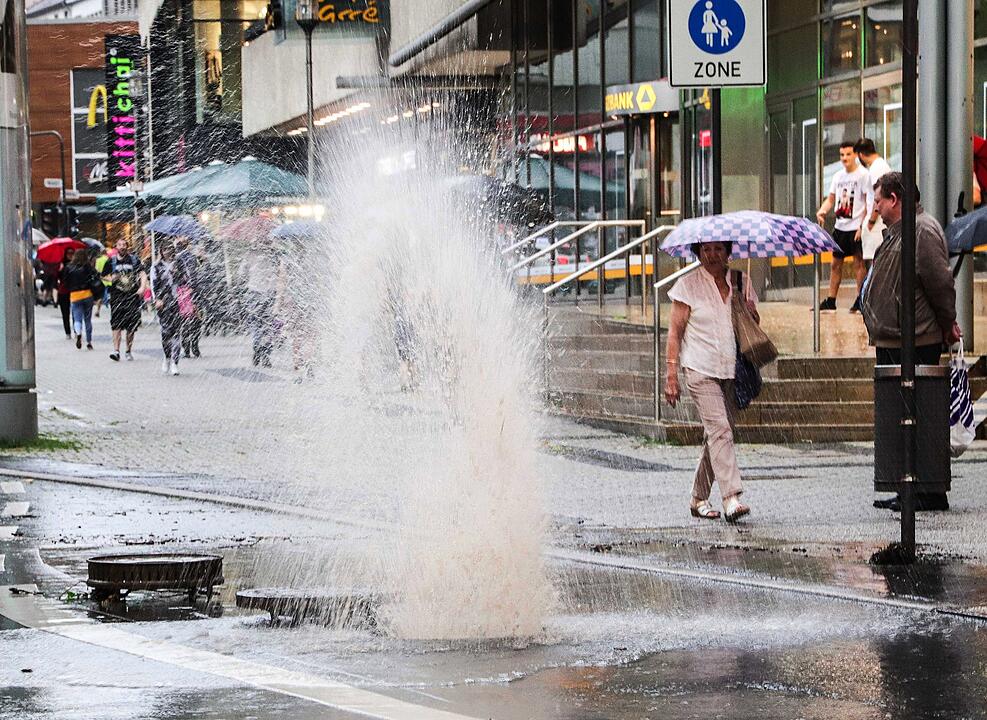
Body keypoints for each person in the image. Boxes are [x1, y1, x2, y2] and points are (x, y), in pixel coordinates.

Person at [861, 172, 961, 513]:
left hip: (916, 339)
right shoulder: (897, 233)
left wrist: (948, 323)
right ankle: (906, 486)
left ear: (894, 199)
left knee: (918, 417)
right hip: (894, 338)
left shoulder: (922, 230)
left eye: (878, 200)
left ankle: (928, 490)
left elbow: (939, 282)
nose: (875, 207)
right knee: (899, 419)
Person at [663, 240, 758, 523]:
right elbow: (674, 333)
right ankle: (732, 497)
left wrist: (752, 311)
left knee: (717, 436)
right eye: (706, 250)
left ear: (728, 251)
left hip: (732, 370)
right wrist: (671, 375)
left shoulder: (741, 279)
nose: (712, 255)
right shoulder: (687, 285)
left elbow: (753, 324)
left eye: (718, 249)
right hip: (699, 368)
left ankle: (697, 497)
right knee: (720, 430)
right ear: (698, 253)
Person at [815, 140, 871, 313]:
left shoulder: (863, 175)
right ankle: (831, 299)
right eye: (842, 155)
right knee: (835, 264)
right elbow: (831, 198)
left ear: (855, 155)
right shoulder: (838, 176)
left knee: (858, 264)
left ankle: (859, 299)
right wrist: (822, 211)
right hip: (840, 226)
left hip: (855, 226)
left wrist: (862, 225)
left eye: (848, 154)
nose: (845, 158)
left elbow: (868, 201)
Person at [102, 238, 148, 362]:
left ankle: (128, 350)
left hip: (132, 297)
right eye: (120, 244)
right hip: (117, 297)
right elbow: (103, 277)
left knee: (131, 326)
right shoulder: (111, 261)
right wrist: (111, 279)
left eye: (124, 245)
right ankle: (116, 351)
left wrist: (142, 287)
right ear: (116, 246)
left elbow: (143, 274)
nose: (122, 247)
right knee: (116, 324)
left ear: (127, 247)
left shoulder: (134, 259)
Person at [854, 137, 893, 261]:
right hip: (877, 220)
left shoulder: (877, 168)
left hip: (877, 222)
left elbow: (879, 197)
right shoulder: (879, 166)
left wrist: (871, 220)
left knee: (875, 259)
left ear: (861, 154)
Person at [240, 248, 278, 367]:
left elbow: (241, 273)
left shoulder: (249, 254)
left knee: (255, 323)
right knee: (268, 325)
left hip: (254, 292)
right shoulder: (273, 253)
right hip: (269, 292)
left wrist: (249, 278)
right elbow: (278, 273)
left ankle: (256, 349)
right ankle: (266, 354)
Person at [151, 242, 183, 376]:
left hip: (177, 302)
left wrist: (177, 274)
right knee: (165, 333)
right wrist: (156, 299)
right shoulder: (156, 266)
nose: (168, 252)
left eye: (170, 249)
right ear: (161, 251)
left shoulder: (178, 263)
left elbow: (186, 280)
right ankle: (167, 357)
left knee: (177, 333)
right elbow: (153, 284)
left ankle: (175, 362)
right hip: (163, 303)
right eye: (165, 249)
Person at [63, 249, 98, 350]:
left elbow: (65, 282)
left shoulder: (68, 267)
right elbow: (94, 277)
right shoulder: (87, 267)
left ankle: (78, 333)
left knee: (77, 318)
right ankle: (89, 341)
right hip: (87, 294)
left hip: (75, 296)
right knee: (87, 319)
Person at [174, 237, 202, 358]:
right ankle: (191, 347)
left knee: (189, 320)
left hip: (186, 292)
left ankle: (189, 347)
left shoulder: (182, 257)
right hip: (186, 292)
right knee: (192, 320)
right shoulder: (183, 257)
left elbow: (193, 276)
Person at [55, 248, 74, 338]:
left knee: (75, 312)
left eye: (72, 253)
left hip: (74, 291)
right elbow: (56, 277)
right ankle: (68, 332)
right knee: (65, 313)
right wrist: (60, 270)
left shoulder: (76, 265)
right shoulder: (61, 264)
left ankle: (77, 330)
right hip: (64, 291)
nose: (70, 255)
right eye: (69, 253)